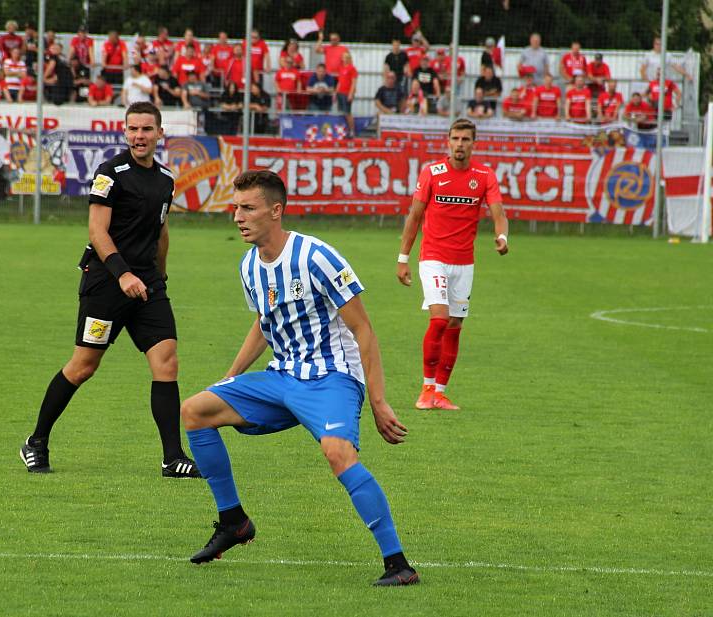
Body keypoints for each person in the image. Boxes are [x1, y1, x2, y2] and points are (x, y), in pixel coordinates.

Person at [181, 169, 419, 587]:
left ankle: (398, 565)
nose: (238, 216)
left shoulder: (316, 256)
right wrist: (231, 377)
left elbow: (364, 329)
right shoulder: (249, 265)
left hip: (332, 376)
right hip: (281, 376)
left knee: (337, 453)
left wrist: (378, 401)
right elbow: (263, 323)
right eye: (235, 207)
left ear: (276, 211)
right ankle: (233, 522)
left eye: (248, 208)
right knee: (195, 410)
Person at [20, 102, 200, 479]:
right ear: (125, 132)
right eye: (133, 129)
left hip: (147, 283)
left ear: (159, 134)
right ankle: (35, 442)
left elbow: (161, 233)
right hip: (106, 281)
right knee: (84, 366)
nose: (139, 136)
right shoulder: (110, 174)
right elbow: (97, 232)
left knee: (167, 361)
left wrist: (159, 278)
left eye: (147, 129)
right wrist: (122, 275)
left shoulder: (166, 180)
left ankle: (172, 458)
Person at [396, 118, 508, 411]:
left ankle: (441, 393)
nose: (460, 144)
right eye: (455, 138)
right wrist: (403, 259)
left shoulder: (484, 175)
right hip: (433, 258)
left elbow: (498, 211)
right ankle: (426, 389)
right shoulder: (432, 172)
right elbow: (414, 216)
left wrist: (502, 235)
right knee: (439, 319)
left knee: (456, 324)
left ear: (474, 143)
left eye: (465, 139)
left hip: (464, 262)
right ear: (448, 141)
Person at [336, 52, 358, 137]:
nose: (345, 59)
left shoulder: (352, 68)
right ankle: (343, 130)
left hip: (346, 93)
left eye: (346, 57)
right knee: (341, 112)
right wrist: (336, 92)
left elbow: (354, 82)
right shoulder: (341, 68)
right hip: (340, 93)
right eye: (343, 57)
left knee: (347, 113)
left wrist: (351, 93)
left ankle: (352, 130)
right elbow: (339, 82)